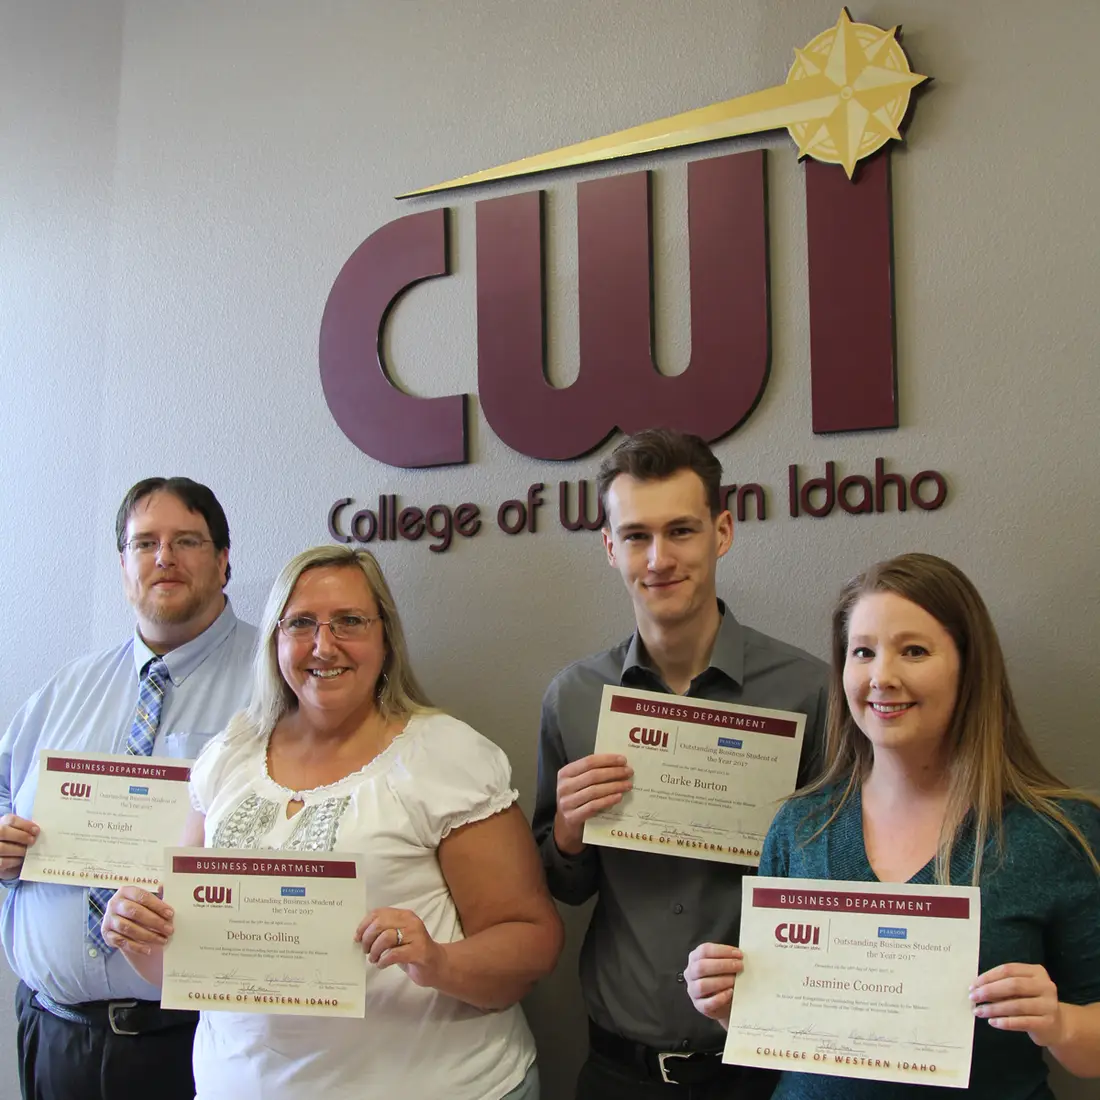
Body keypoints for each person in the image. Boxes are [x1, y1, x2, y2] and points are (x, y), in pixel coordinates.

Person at [101, 544, 563, 1100]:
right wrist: (137, 935)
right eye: (300, 624)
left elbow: (531, 941)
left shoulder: (447, 757)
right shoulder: (229, 754)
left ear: (385, 637)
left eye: (349, 621)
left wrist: (436, 961)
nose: (324, 645)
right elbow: (193, 964)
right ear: (275, 641)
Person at [685, 552, 1100, 1098]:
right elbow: (778, 1030)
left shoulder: (1055, 833)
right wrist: (730, 1004)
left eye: (914, 651)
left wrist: (1059, 1023)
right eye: (863, 652)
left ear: (968, 667)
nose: (882, 676)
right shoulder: (799, 824)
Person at [533, 428, 828, 1098]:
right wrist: (572, 836)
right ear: (610, 547)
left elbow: (841, 879)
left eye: (682, 531)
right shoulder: (575, 697)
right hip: (617, 1070)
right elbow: (562, 881)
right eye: (636, 535)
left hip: (762, 1067)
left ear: (721, 532)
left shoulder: (809, 692)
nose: (659, 558)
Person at [0, 477, 257, 1100]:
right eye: (145, 543)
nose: (163, 557)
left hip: (195, 1045)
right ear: (123, 566)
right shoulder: (66, 689)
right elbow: (6, 791)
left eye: (186, 540)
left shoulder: (277, 683)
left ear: (224, 561)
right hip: (56, 1037)